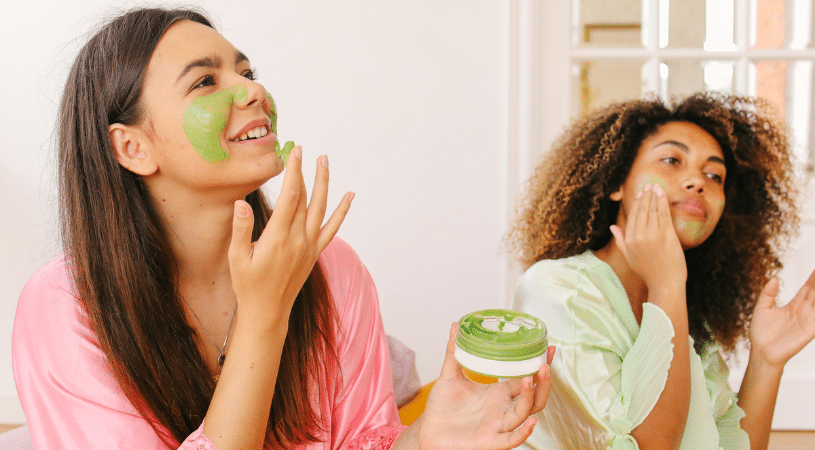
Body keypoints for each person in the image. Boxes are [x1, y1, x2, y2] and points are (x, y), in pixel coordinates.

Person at [12, 7, 554, 450]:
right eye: (205, 81)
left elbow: (364, 442)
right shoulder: (65, 304)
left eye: (246, 73)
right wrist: (265, 314)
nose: (253, 91)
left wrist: (427, 442)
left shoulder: (332, 267)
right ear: (132, 147)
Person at [506, 92, 815, 450]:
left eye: (714, 175)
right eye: (671, 160)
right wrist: (667, 283)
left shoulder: (690, 319)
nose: (697, 182)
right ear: (616, 183)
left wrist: (766, 361)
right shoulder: (558, 291)